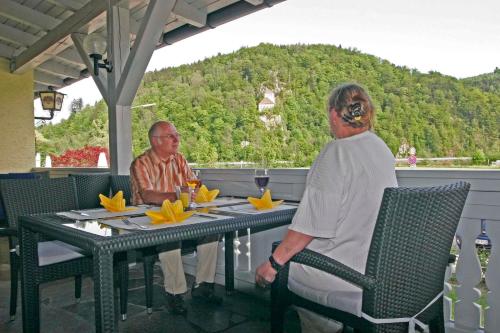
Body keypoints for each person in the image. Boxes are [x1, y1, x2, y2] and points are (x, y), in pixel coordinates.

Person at [255, 83, 398, 332]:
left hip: (345, 276)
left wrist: (272, 265)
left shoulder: (336, 152)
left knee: (285, 266)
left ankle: (325, 324)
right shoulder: (381, 149)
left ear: (333, 114)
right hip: (380, 270)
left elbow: (309, 226)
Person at [130, 121, 222, 315]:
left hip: (179, 214)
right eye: (171, 136)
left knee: (212, 230)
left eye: (177, 134)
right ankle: (175, 293)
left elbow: (192, 185)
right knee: (169, 236)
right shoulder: (140, 163)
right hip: (148, 220)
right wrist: (177, 195)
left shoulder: (179, 159)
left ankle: (204, 286)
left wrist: (193, 192)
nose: (177, 139)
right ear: (155, 141)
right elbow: (147, 195)